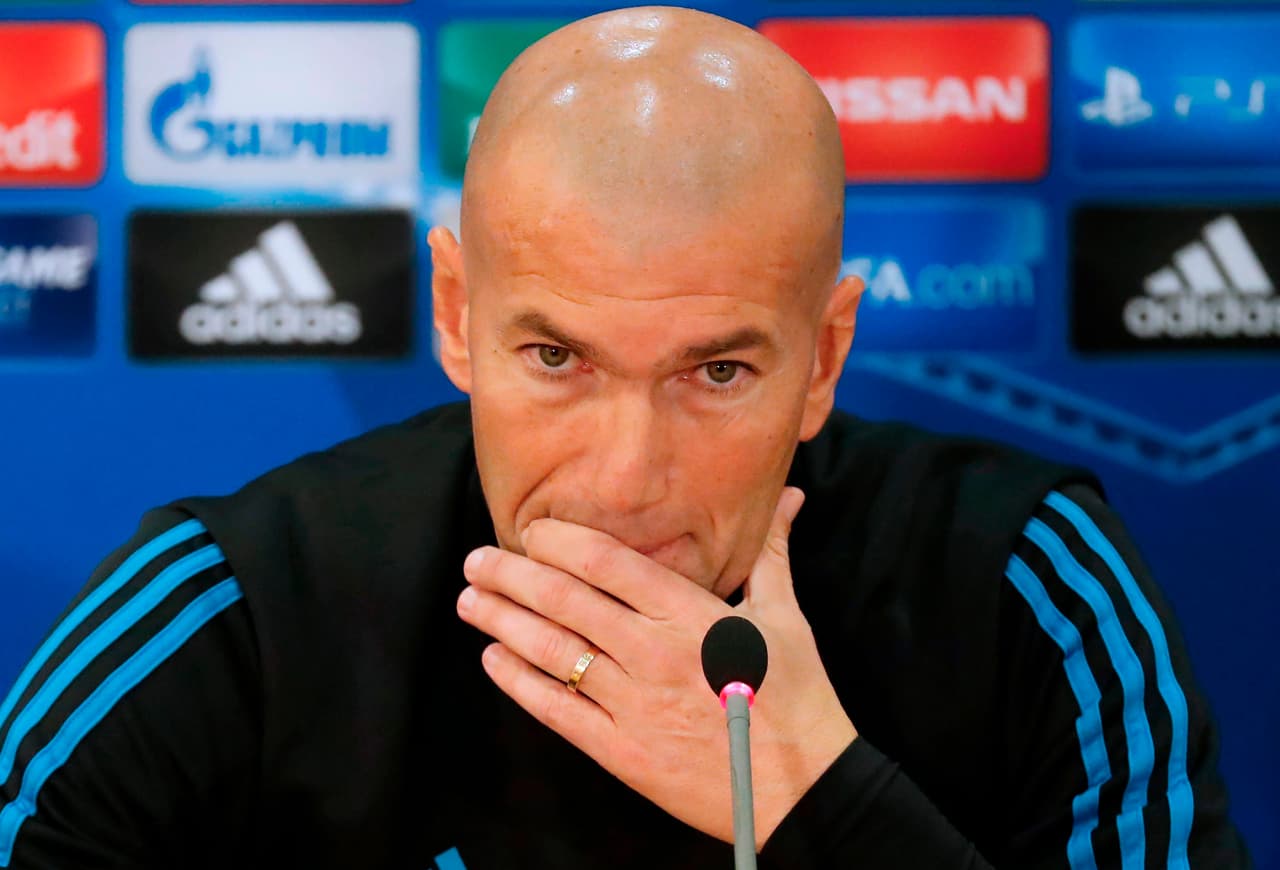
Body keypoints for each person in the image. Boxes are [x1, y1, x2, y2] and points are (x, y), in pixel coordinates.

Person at [0, 7, 1250, 869]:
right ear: (455, 315)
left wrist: (817, 802)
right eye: (556, 360)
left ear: (821, 359)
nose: (623, 477)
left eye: (716, 373)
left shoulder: (1028, 580)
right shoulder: (235, 611)